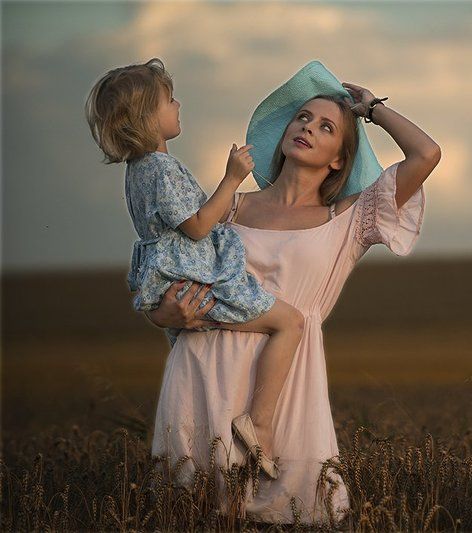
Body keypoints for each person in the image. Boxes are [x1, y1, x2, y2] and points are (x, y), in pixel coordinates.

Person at [143, 60, 440, 525]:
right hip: (203, 368)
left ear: (338, 159)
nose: (308, 127)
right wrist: (165, 314)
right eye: (302, 117)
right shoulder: (225, 208)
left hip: (288, 379)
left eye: (326, 127)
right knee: (193, 513)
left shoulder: (350, 219)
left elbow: (426, 155)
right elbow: (164, 279)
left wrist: (371, 109)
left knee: (298, 509)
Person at [85, 58, 304, 479]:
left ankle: (204, 468)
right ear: (147, 117)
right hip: (198, 279)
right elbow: (200, 226)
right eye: (169, 100)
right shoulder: (162, 170)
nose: (178, 105)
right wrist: (232, 178)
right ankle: (257, 424)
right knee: (290, 322)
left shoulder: (137, 172)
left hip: (171, 280)